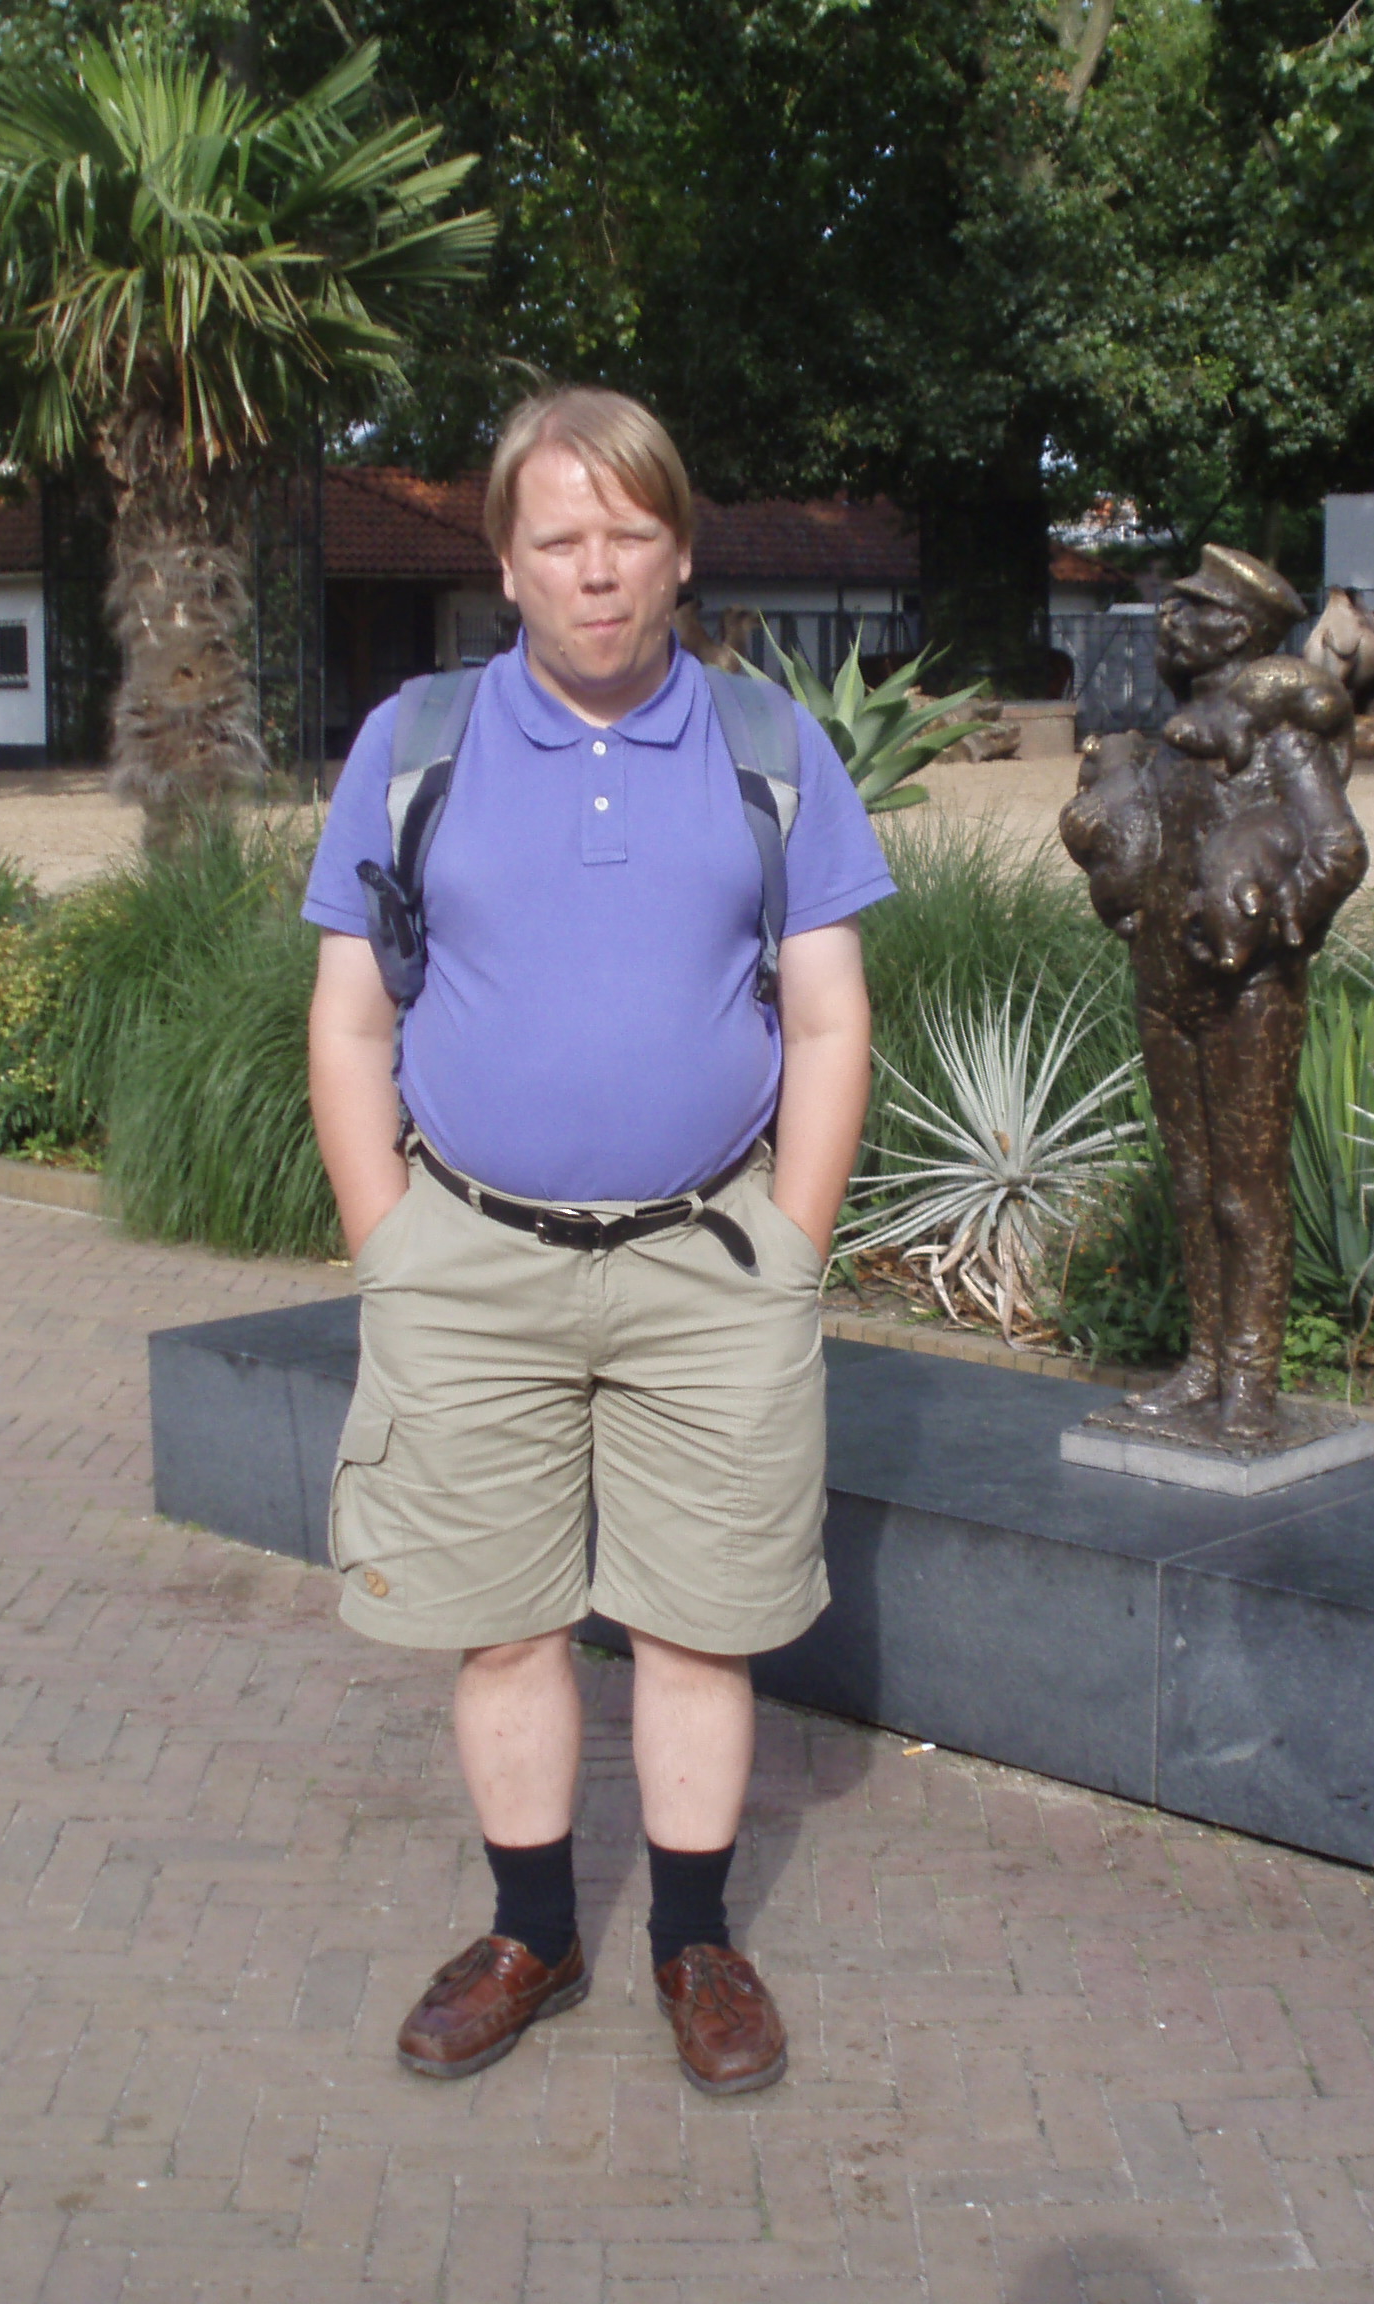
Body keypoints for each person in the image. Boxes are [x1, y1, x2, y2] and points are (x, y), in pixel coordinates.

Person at [300, 386, 892, 2096]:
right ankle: (532, 1932)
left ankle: (693, 1938)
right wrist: (389, 1243)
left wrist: (788, 1248)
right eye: (559, 538)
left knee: (701, 1622)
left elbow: (829, 1018)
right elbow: (348, 1017)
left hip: (708, 1266)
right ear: (506, 563)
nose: (598, 570)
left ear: (681, 550)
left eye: (630, 534)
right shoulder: (410, 744)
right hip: (467, 1262)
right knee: (501, 1623)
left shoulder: (771, 746)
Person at [1059, 545, 1366, 1444]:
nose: (1171, 620)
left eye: (1191, 609)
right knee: (1192, 1184)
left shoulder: (1280, 738)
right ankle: (1203, 1364)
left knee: (1245, 1192)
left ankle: (1251, 1379)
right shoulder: (1172, 736)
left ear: (1238, 629)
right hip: (1165, 981)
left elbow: (1338, 849)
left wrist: (1278, 924)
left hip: (1248, 993)